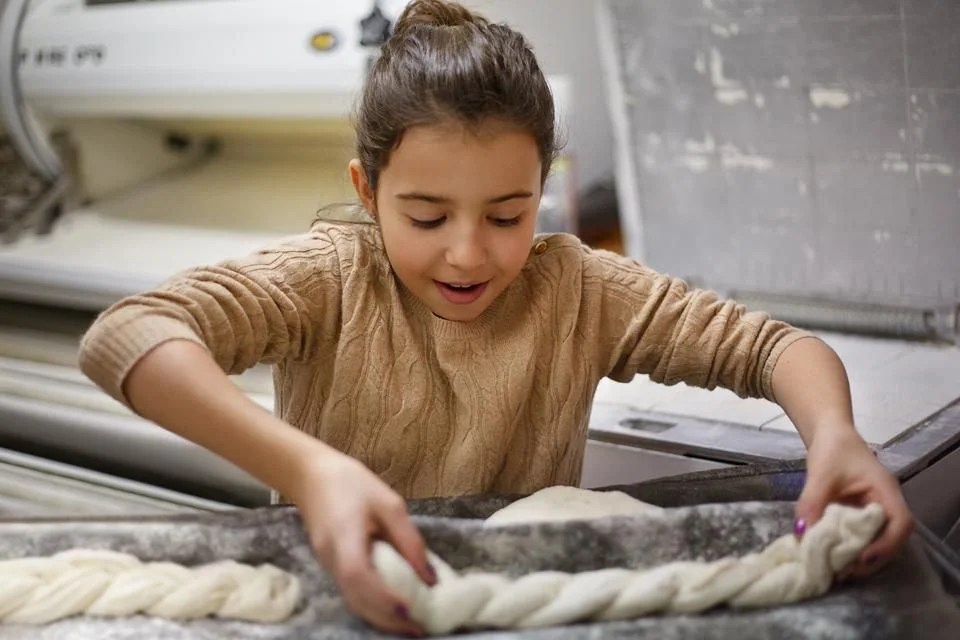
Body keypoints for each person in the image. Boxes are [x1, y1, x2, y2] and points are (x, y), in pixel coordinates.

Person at [78, 0, 912, 635]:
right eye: (429, 218)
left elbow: (773, 349)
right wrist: (310, 475)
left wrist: (833, 435)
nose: (469, 255)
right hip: (341, 606)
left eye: (508, 216)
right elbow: (129, 334)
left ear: (542, 189)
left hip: (520, 612)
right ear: (368, 192)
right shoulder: (332, 277)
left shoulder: (578, 290)